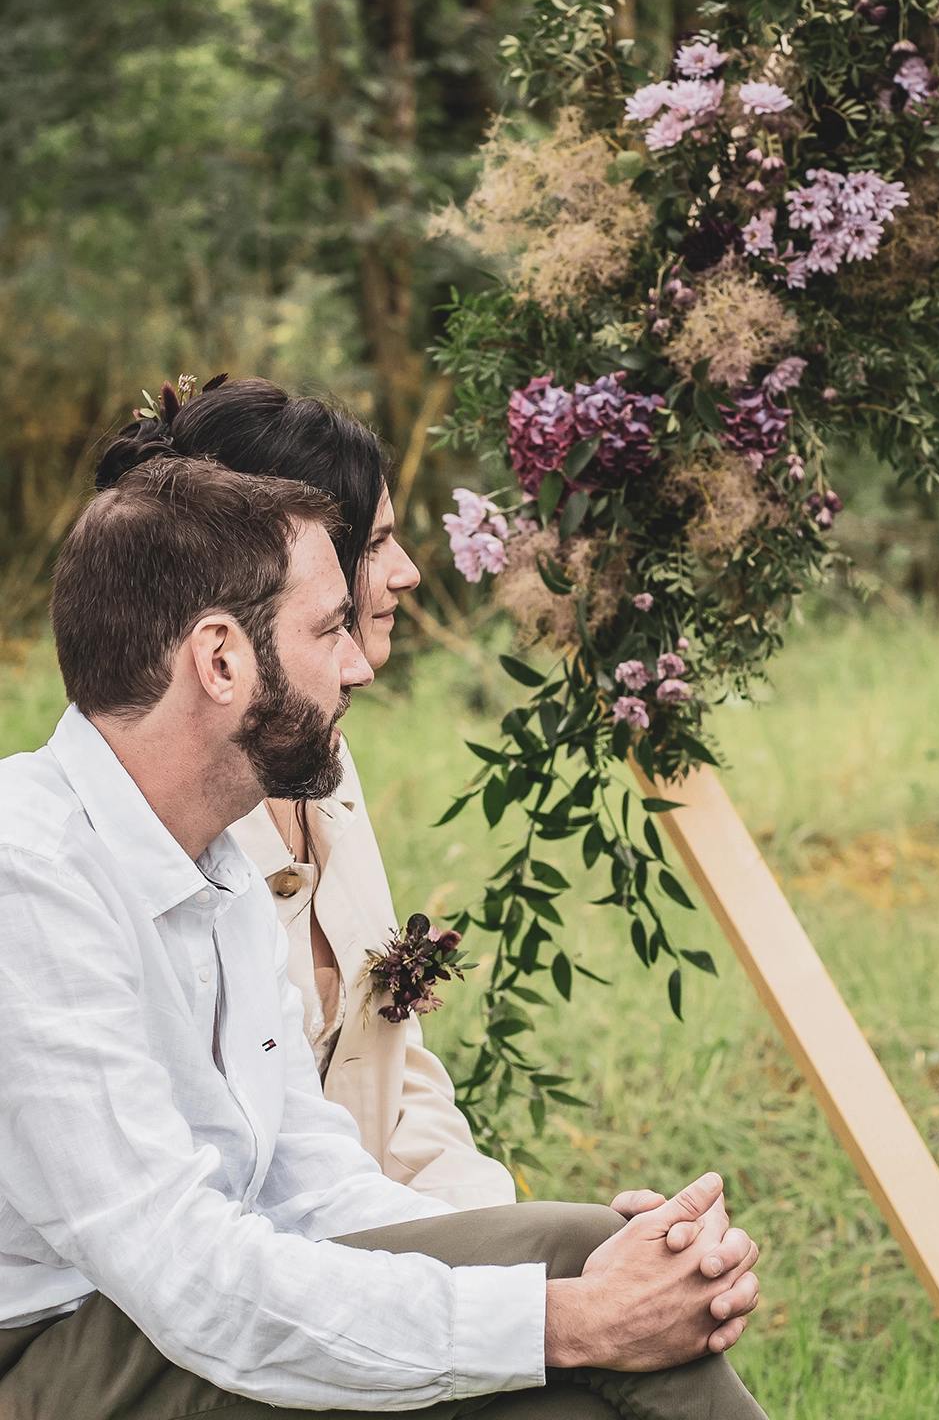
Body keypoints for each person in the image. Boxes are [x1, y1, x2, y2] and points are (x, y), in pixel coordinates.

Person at [0, 456, 767, 1419]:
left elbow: (313, 1187)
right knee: (558, 1379)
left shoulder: (214, 865)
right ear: (222, 660)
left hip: (170, 1300)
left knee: (578, 1248)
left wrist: (591, 1286)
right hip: (51, 1353)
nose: (359, 663)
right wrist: (565, 1326)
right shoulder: (26, 873)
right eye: (328, 630)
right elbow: (185, 1272)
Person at [97, 377, 515, 1209]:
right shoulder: (172, 819)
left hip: (364, 1222)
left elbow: (397, 1072)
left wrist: (497, 1229)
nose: (407, 574)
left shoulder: (324, 761)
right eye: (379, 542)